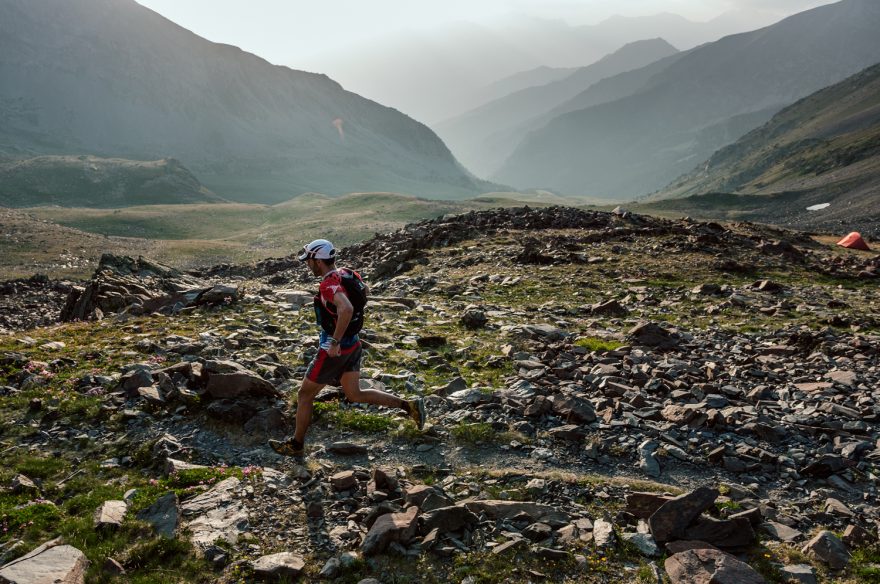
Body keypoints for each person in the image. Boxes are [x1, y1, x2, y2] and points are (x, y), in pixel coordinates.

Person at [269, 239, 426, 457]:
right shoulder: (348, 273)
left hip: (336, 347)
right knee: (354, 394)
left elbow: (347, 308)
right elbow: (364, 292)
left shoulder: (328, 284)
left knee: (304, 395)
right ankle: (409, 406)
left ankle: (296, 445)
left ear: (317, 261)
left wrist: (334, 341)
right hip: (353, 342)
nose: (307, 265)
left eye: (309, 261)